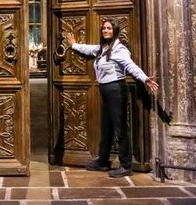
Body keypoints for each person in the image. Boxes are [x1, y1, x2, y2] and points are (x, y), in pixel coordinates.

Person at [66, 19, 159, 178]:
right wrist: (74, 45)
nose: (106, 31)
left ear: (115, 31)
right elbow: (89, 49)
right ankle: (103, 161)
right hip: (106, 90)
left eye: (109, 28)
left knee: (120, 127)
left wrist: (144, 79)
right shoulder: (103, 48)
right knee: (106, 127)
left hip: (116, 90)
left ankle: (126, 165)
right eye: (104, 28)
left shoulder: (119, 49)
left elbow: (130, 66)